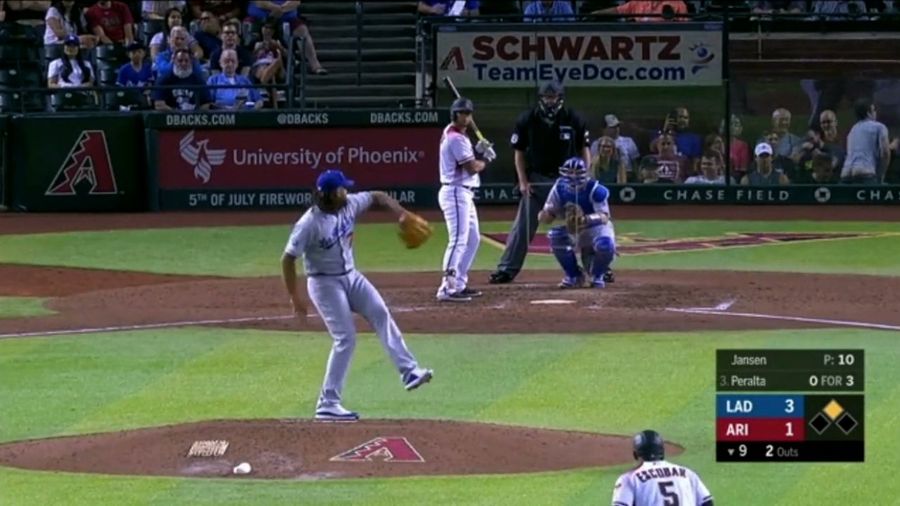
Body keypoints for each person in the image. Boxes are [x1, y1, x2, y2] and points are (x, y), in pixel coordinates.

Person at [281, 169, 434, 421]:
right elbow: (288, 259)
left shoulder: (350, 203)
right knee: (346, 339)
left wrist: (402, 213)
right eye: (343, 188)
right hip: (324, 283)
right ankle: (327, 403)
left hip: (351, 277)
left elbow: (378, 196)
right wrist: (294, 297)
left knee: (380, 313)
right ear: (330, 194)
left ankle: (409, 372)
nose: (347, 191)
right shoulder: (309, 223)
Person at [489, 80, 590, 285]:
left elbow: (584, 150)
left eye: (553, 97)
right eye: (546, 97)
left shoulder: (573, 118)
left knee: (585, 225)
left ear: (560, 98)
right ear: (541, 98)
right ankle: (507, 269)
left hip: (568, 182)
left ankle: (597, 268)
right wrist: (523, 181)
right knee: (523, 227)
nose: (550, 101)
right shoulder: (528, 119)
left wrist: (585, 177)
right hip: (538, 181)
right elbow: (519, 153)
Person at [436, 97, 496, 302]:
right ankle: (447, 287)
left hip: (463, 193)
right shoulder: (456, 138)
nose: (467, 117)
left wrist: (478, 149)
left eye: (469, 113)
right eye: (463, 113)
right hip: (455, 192)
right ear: (455, 114)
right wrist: (486, 158)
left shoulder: (456, 134)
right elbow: (471, 167)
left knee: (472, 239)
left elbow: (467, 157)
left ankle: (459, 283)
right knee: (458, 240)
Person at [537, 157, 616, 289]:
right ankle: (573, 275)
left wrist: (586, 219)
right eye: (570, 172)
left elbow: (604, 216)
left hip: (596, 228)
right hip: (574, 228)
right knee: (556, 236)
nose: (573, 176)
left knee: (605, 245)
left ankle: (597, 275)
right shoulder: (559, 187)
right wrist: (544, 215)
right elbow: (549, 214)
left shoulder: (595, 189)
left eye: (577, 172)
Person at [612, 430, 714, 506]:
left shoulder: (629, 479)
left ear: (635, 454)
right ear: (662, 452)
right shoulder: (687, 474)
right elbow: (707, 502)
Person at [841, 98, 890, 184]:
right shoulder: (879, 127)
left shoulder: (852, 130)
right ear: (868, 113)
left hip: (845, 175)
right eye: (874, 110)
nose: (876, 113)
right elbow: (885, 153)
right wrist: (881, 177)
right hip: (864, 174)